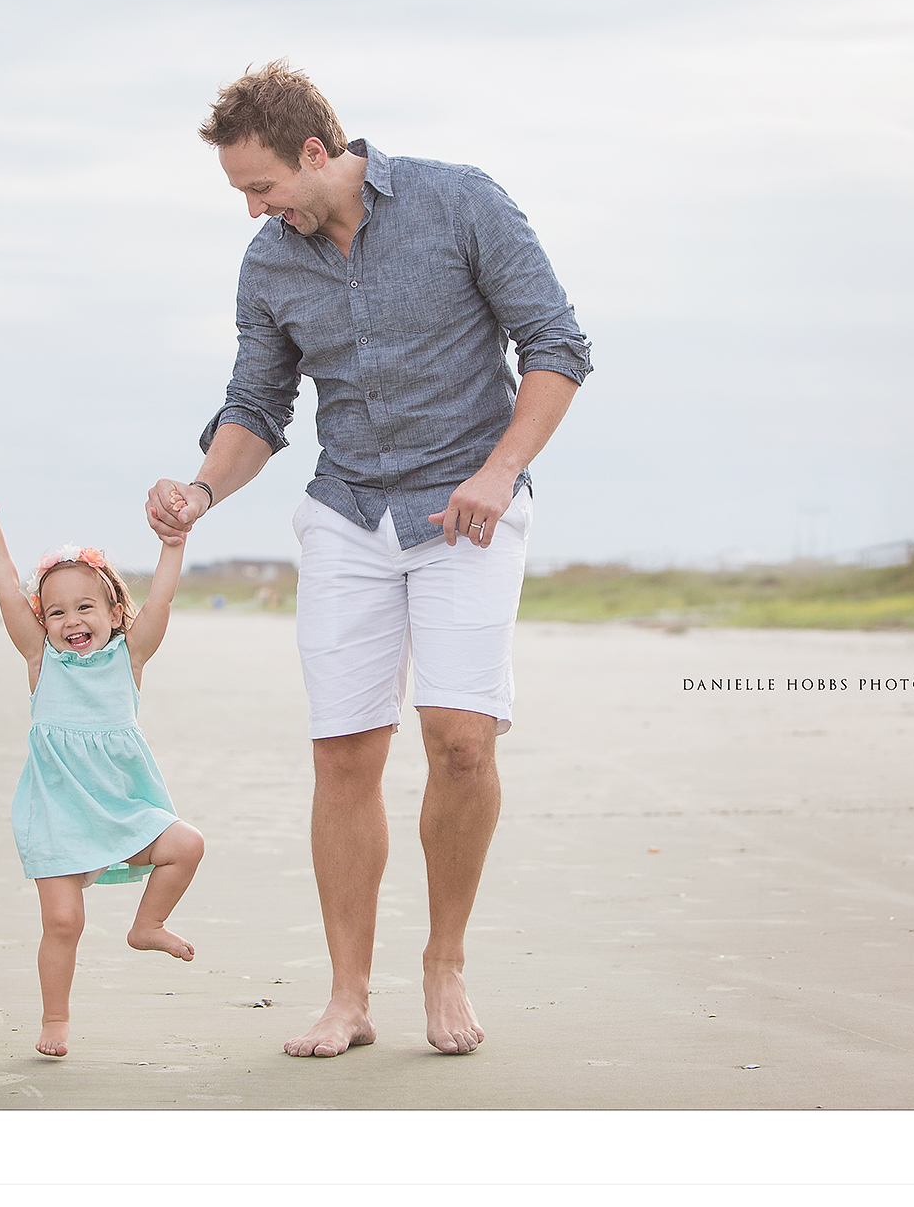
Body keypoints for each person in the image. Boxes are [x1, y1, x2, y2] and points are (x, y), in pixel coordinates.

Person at [147, 61, 592, 1057]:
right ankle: (347, 994)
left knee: (460, 738)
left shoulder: (458, 201)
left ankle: (444, 959)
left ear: (316, 152)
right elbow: (257, 409)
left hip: (467, 511)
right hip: (345, 515)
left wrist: (499, 469)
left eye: (259, 186)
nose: (253, 210)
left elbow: (556, 345)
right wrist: (200, 490)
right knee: (345, 751)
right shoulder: (269, 263)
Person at [0, 512, 205, 1058]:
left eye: (84, 607)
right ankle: (55, 1019)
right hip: (56, 814)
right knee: (63, 919)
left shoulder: (130, 656)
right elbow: (6, 591)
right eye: (55, 612)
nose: (71, 620)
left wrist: (173, 546)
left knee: (186, 844)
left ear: (116, 612)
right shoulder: (41, 661)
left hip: (120, 809)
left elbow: (162, 602)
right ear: (42, 622)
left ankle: (148, 923)